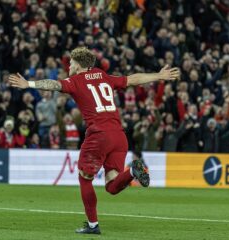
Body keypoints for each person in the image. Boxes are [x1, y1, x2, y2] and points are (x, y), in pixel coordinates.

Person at [9, 47, 180, 234]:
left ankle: (92, 225)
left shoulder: (75, 81)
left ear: (79, 65)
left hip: (99, 135)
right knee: (112, 186)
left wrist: (29, 84)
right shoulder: (103, 75)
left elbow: (54, 85)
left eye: (71, 63)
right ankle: (132, 170)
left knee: (85, 179)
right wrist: (158, 75)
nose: (69, 67)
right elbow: (133, 79)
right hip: (118, 136)